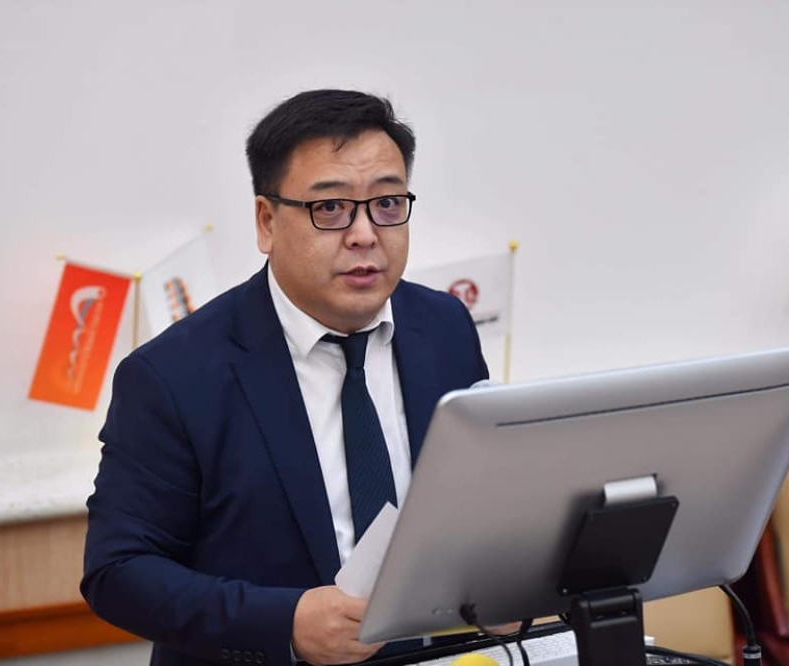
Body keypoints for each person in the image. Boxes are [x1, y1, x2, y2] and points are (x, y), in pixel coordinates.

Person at [81, 89, 489, 666]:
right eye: (331, 208)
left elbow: (471, 503)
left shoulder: (444, 328)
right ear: (267, 222)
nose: (365, 234)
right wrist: (286, 623)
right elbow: (118, 572)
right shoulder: (173, 376)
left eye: (387, 203)